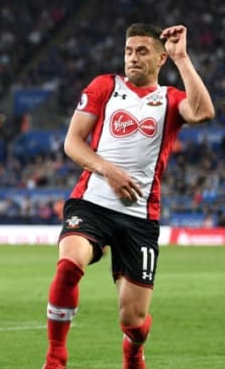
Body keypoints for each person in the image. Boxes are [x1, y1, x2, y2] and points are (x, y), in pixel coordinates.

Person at [42, 24, 214, 369]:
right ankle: (55, 356)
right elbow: (72, 143)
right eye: (128, 51)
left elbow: (203, 112)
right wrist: (108, 170)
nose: (133, 58)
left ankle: (134, 350)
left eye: (142, 51)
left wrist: (182, 58)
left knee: (133, 321)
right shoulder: (105, 86)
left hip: (139, 217)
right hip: (92, 202)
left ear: (160, 58)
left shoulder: (169, 99)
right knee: (68, 263)